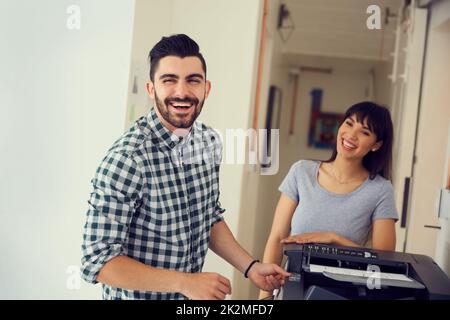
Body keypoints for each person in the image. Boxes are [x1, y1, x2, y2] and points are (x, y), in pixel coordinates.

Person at [81, 34, 289, 300]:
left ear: (207, 88)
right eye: (169, 80)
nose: (182, 92)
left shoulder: (209, 142)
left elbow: (208, 216)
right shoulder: (128, 159)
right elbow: (97, 261)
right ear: (151, 89)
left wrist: (251, 267)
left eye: (193, 80)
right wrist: (185, 283)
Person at [259, 101, 398, 299]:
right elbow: (277, 237)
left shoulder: (381, 190)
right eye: (349, 124)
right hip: (293, 291)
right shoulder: (301, 171)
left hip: (344, 294)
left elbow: (384, 260)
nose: (351, 135)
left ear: (376, 145)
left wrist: (334, 238)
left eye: (365, 132)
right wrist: (265, 297)